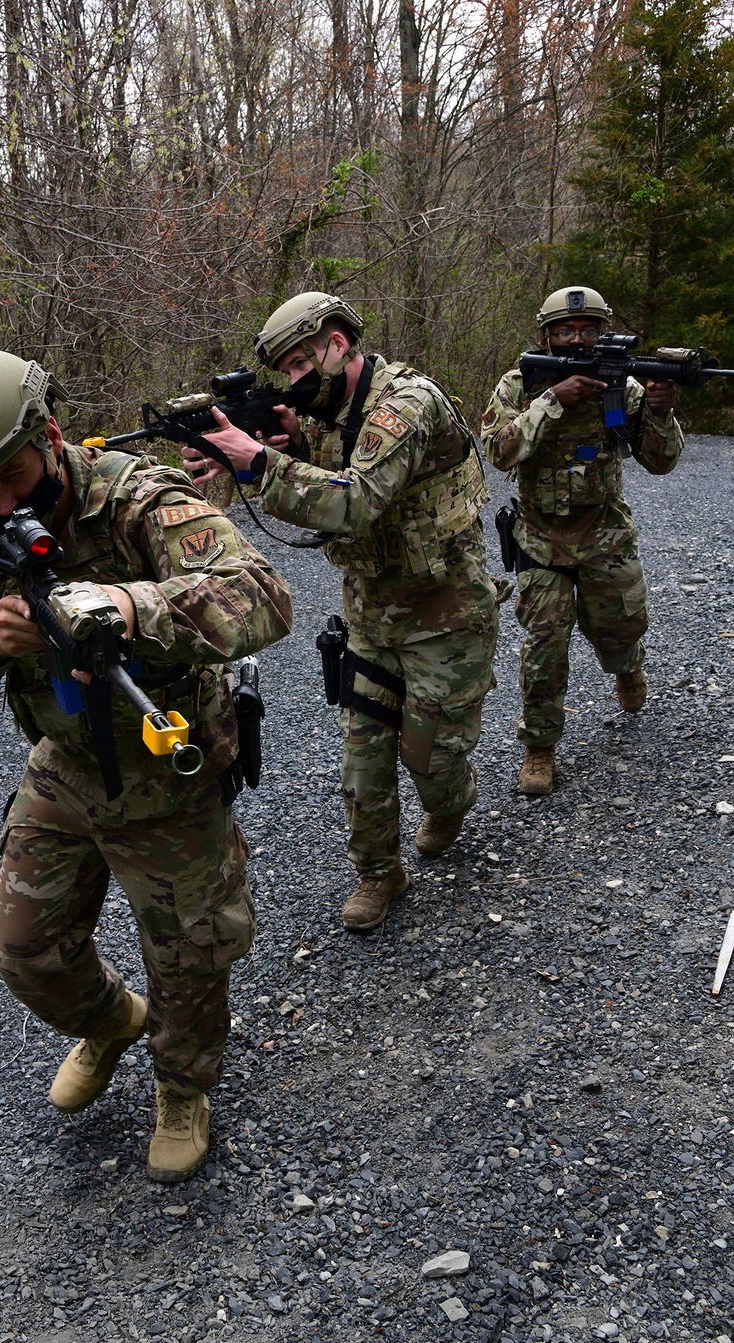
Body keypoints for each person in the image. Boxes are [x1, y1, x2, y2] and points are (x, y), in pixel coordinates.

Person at [0, 349, 292, 1183]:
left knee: (190, 955)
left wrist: (129, 604)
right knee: (26, 949)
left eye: (16, 477)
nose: (4, 504)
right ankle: (116, 1021)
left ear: (51, 436)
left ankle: (182, 1087)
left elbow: (263, 597)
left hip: (172, 758)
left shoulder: (137, 496)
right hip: (71, 761)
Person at [182, 293, 500, 931]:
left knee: (431, 759)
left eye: (304, 361)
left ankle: (450, 801)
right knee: (364, 764)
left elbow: (352, 503)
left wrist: (260, 461)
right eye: (288, 369)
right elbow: (316, 471)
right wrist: (259, 452)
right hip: (371, 615)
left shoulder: (405, 403)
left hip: (447, 613)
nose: (298, 379)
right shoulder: (325, 413)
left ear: (337, 340)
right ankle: (378, 873)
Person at [480, 285, 684, 795]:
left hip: (604, 531)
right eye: (565, 331)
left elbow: (661, 463)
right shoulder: (518, 384)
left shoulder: (623, 386)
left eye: (587, 330)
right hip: (539, 536)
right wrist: (551, 400)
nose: (576, 339)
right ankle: (540, 748)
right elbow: (498, 452)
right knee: (545, 646)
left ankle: (627, 667)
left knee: (621, 626)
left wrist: (660, 410)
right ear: (547, 336)